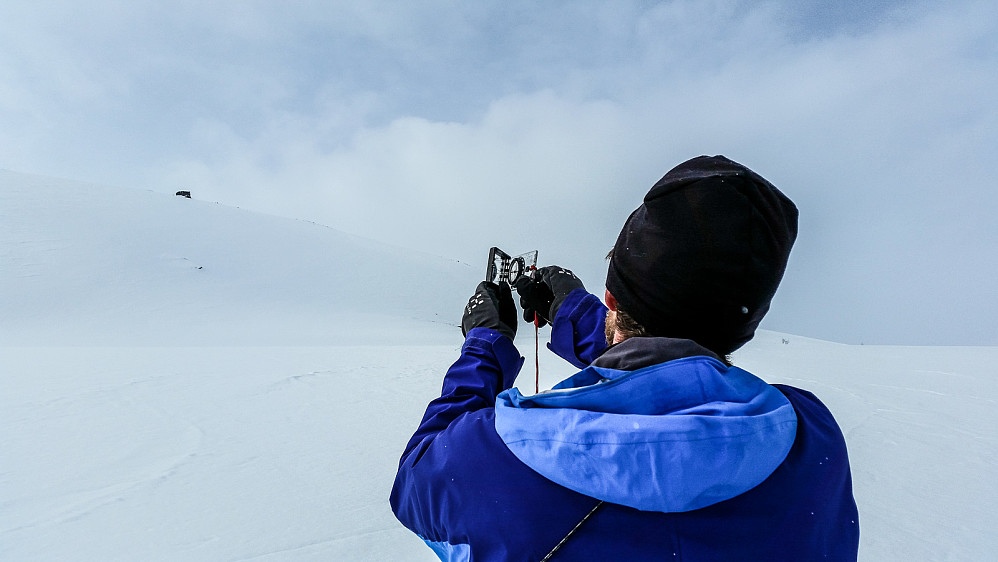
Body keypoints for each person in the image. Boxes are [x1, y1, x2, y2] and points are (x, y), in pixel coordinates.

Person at [390, 155, 860, 561]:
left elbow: (417, 479)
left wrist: (484, 342)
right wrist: (569, 306)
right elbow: (670, 367)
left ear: (611, 300)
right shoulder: (812, 440)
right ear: (745, 324)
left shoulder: (492, 458)